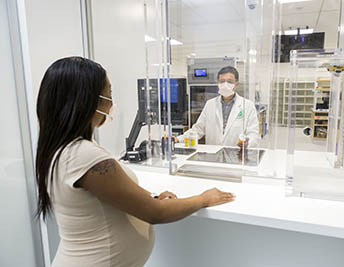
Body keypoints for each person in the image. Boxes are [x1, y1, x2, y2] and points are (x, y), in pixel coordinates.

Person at [35, 57, 235, 267]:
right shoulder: (83, 155)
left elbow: (107, 196)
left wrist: (153, 196)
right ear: (85, 100)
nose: (112, 103)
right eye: (108, 95)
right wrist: (203, 198)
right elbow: (154, 212)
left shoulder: (62, 149)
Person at [176, 66, 260, 148]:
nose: (225, 84)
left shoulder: (247, 106)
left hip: (236, 154)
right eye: (222, 81)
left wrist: (248, 142)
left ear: (236, 84)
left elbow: (253, 133)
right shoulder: (210, 104)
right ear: (218, 83)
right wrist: (178, 139)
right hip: (214, 154)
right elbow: (198, 129)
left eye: (230, 81)